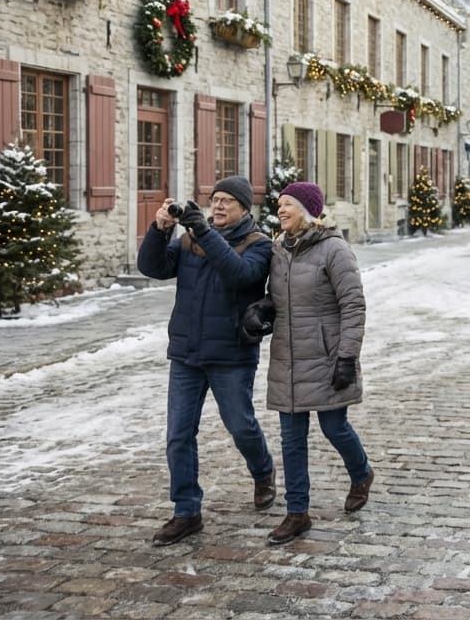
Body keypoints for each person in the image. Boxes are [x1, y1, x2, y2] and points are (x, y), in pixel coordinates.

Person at [136, 176, 276, 546]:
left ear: (245, 208)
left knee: (241, 426)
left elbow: (238, 274)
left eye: (228, 200)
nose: (218, 206)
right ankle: (186, 512)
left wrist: (201, 230)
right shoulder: (189, 240)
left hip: (231, 353)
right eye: (214, 199)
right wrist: (159, 229)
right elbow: (152, 267)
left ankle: (263, 471)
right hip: (186, 353)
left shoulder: (258, 245)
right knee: (178, 435)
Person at [243, 180, 374, 545]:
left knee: (334, 428)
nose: (281, 209)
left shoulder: (334, 250)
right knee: (291, 439)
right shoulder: (278, 249)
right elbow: (277, 296)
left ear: (308, 210)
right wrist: (263, 310)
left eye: (288, 204)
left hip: (327, 356)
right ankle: (297, 513)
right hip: (288, 356)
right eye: (280, 204)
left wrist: (347, 356)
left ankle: (361, 472)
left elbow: (353, 305)